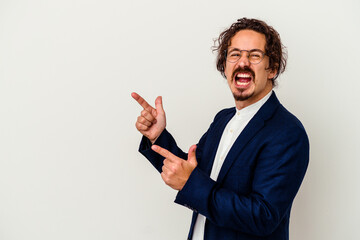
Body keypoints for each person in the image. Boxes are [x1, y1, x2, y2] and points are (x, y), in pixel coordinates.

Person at [131, 17, 309, 240]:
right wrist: (157, 137)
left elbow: (263, 216)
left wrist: (191, 182)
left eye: (254, 55)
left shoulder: (288, 132)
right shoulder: (223, 119)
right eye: (235, 54)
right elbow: (194, 172)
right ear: (225, 66)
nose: (242, 63)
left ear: (271, 68)